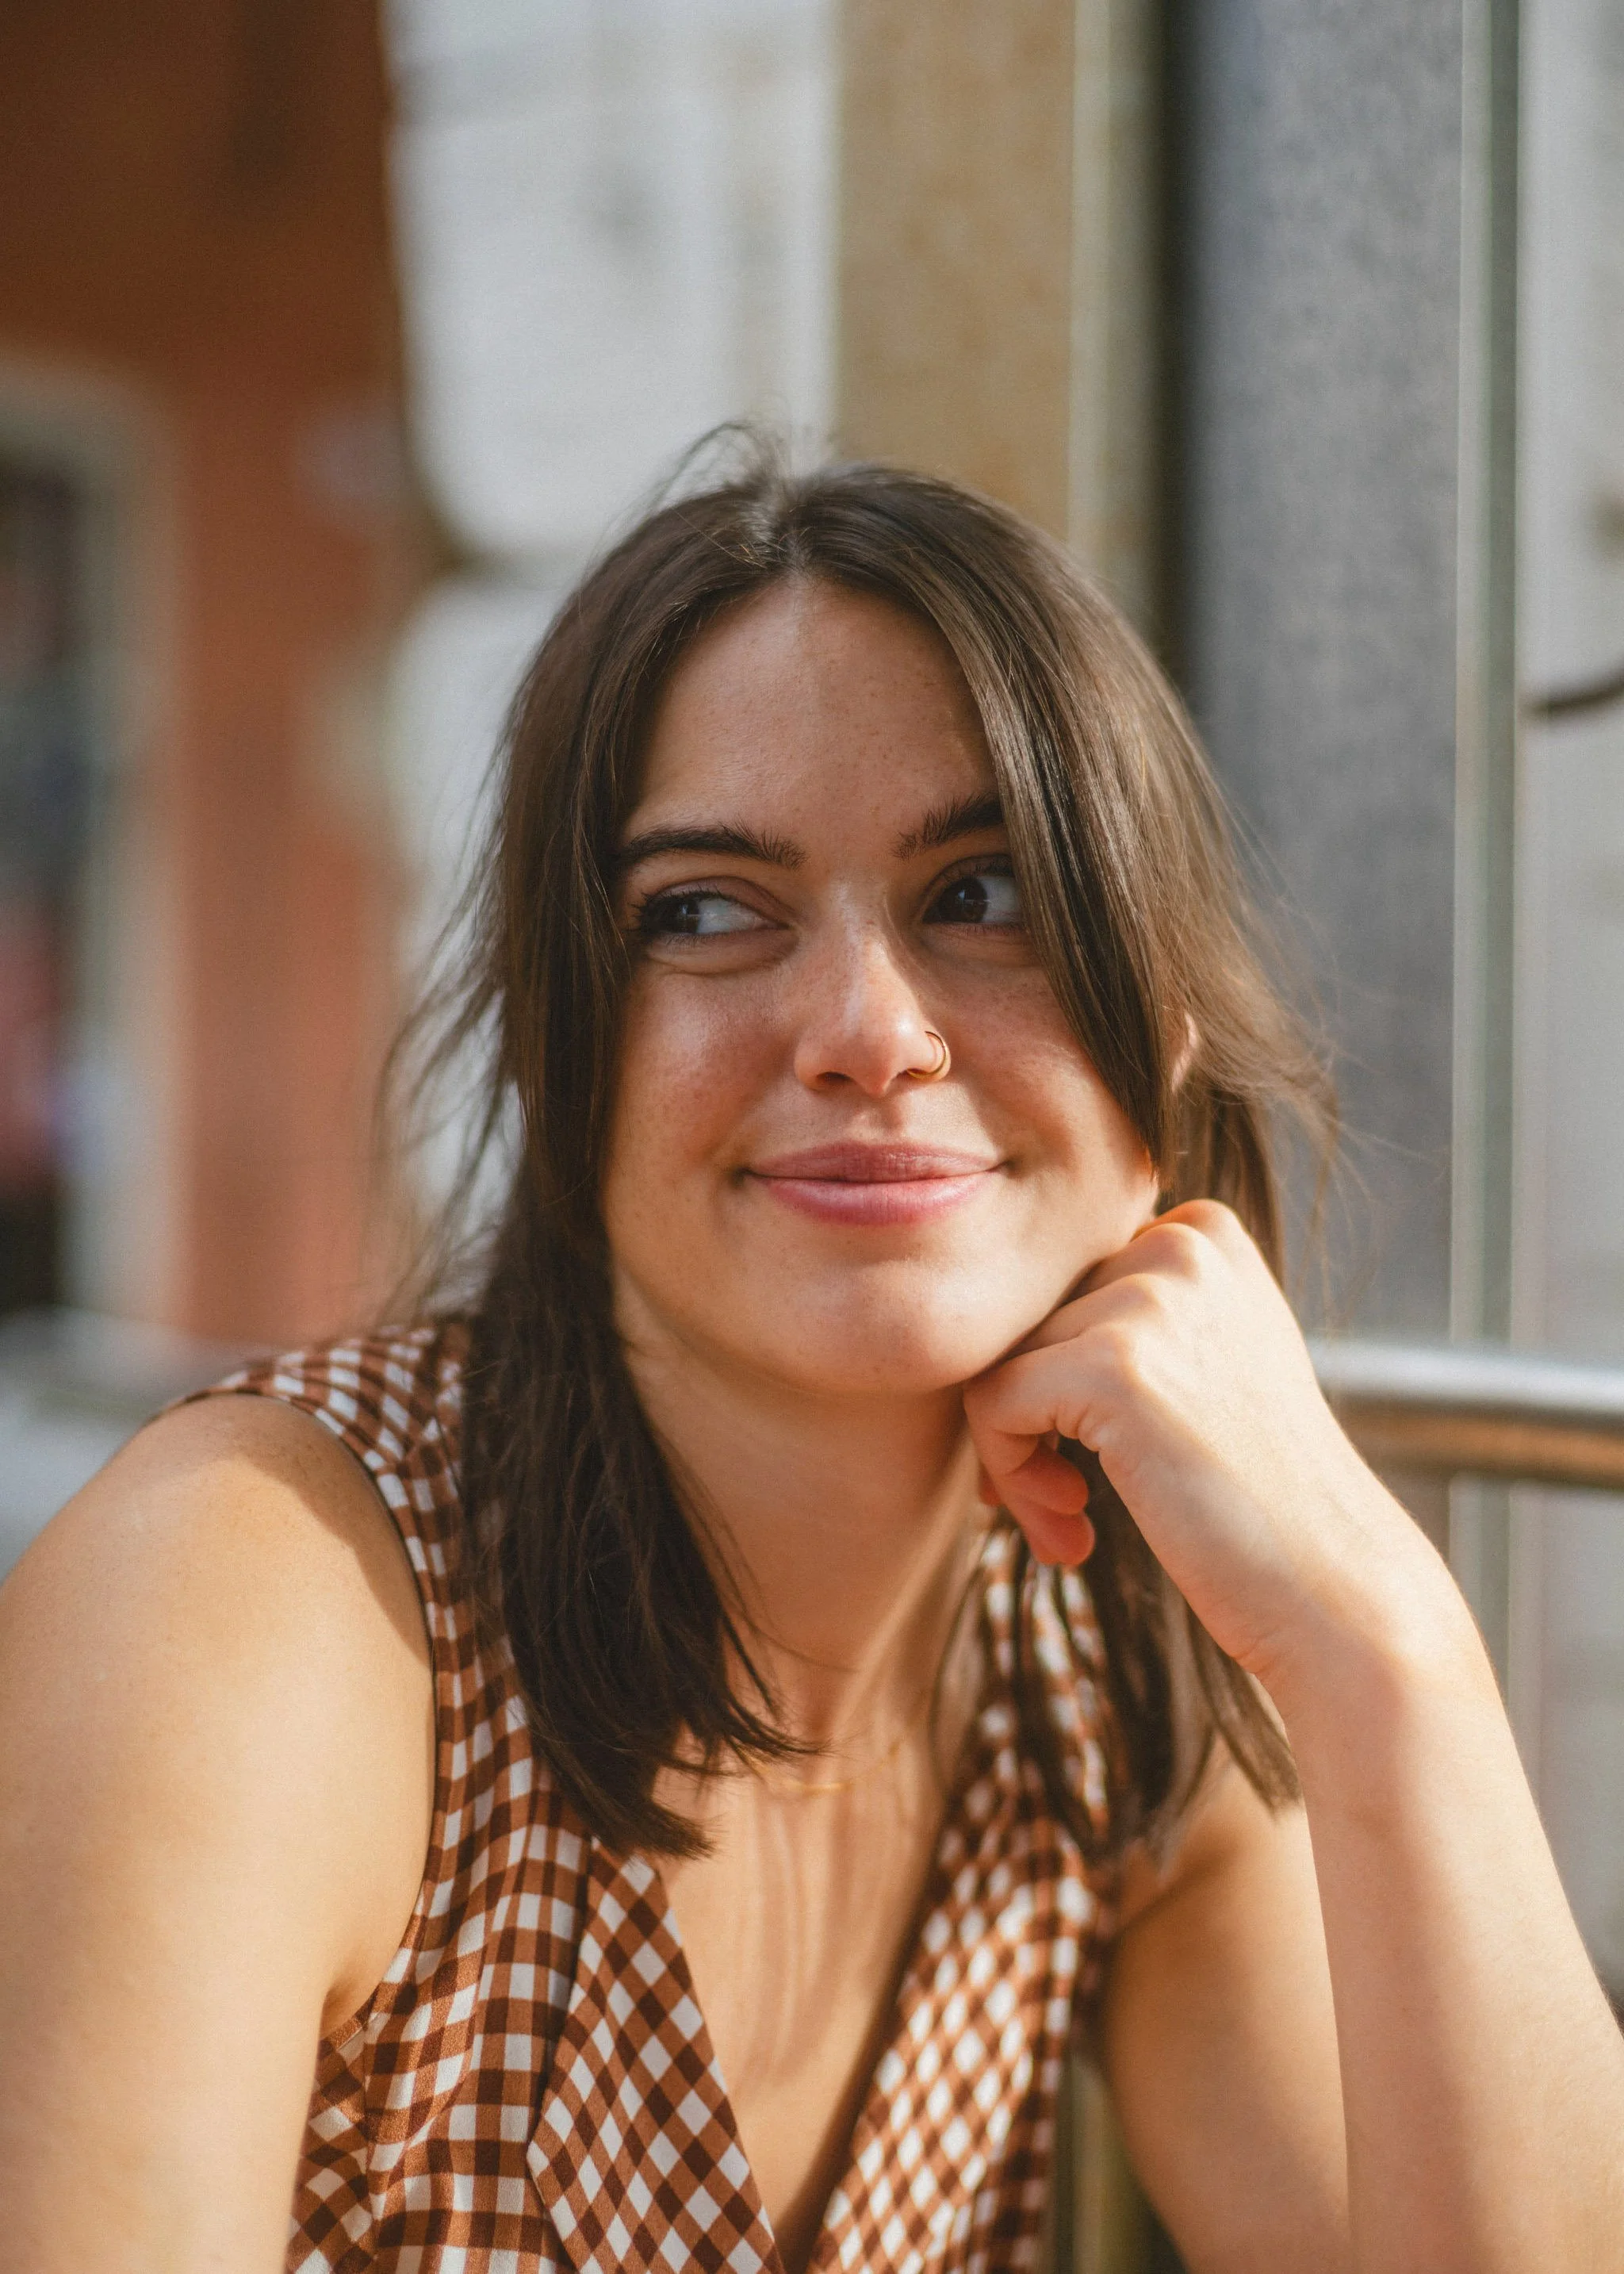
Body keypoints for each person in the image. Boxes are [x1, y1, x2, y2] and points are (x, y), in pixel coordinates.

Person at [0, 454, 1619, 2274]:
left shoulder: (1093, 1659)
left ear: (1162, 1033)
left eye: (984, 889)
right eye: (704, 908)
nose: (866, 1030)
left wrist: (1384, 1638)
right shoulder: (256, 1594)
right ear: (561, 1047)